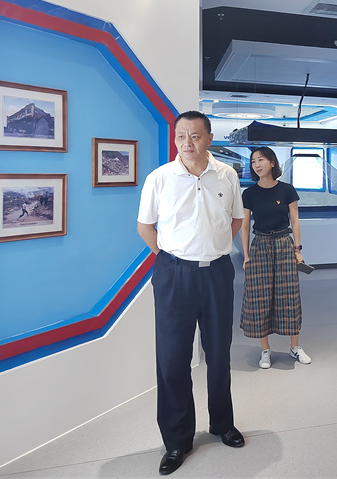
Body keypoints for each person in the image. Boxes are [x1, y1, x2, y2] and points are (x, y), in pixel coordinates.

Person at [137, 111, 246, 476]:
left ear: (209, 138)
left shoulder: (227, 174)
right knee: (172, 359)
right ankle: (177, 440)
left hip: (216, 272)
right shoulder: (160, 178)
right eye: (181, 135)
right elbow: (145, 226)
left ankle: (222, 424)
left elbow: (236, 219)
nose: (187, 142)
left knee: (219, 353)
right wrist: (173, 258)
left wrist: (213, 247)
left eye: (195, 135)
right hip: (174, 274)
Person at [240, 147, 312, 369]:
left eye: (261, 160)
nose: (257, 165)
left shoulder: (286, 190)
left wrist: (297, 249)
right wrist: (246, 255)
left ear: (272, 162)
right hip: (260, 244)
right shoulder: (249, 193)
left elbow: (295, 220)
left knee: (289, 294)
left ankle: (295, 346)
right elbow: (245, 225)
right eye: (253, 161)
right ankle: (265, 349)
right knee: (259, 297)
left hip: (283, 243)